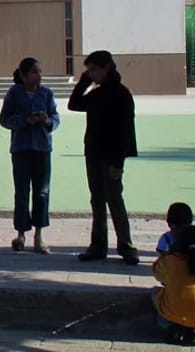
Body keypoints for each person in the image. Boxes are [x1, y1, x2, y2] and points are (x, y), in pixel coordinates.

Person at [68, 50, 140, 265]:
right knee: (97, 200)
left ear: (106, 67)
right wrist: (83, 82)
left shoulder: (121, 94)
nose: (91, 74)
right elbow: (74, 104)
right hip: (93, 153)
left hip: (111, 156)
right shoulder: (96, 93)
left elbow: (126, 131)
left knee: (114, 200)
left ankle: (126, 246)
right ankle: (98, 245)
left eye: (93, 70)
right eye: (88, 70)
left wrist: (118, 162)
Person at [0, 57, 60, 254]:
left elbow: (56, 117)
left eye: (40, 72)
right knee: (22, 192)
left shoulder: (46, 93)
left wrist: (47, 121)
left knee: (42, 192)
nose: (39, 76)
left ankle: (39, 236)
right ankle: (21, 234)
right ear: (24, 75)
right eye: (34, 72)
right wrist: (25, 120)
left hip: (42, 148)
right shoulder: (14, 93)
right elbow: (4, 119)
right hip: (21, 148)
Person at [152, 224, 195, 345]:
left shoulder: (170, 261)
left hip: (173, 312)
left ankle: (171, 326)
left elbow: (157, 273)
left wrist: (167, 255)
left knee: (155, 292)